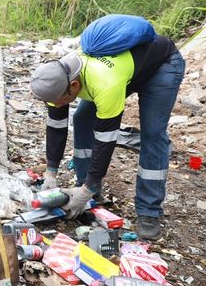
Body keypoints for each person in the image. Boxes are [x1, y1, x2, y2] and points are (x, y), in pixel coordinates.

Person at [29, 16, 184, 240]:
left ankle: (149, 211)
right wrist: (51, 172)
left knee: (152, 134)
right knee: (82, 118)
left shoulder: (104, 83)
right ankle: (88, 188)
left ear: (74, 85)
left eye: (62, 101)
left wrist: (86, 190)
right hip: (126, 72)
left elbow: (106, 139)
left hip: (162, 67)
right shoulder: (57, 75)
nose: (59, 106)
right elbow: (56, 126)